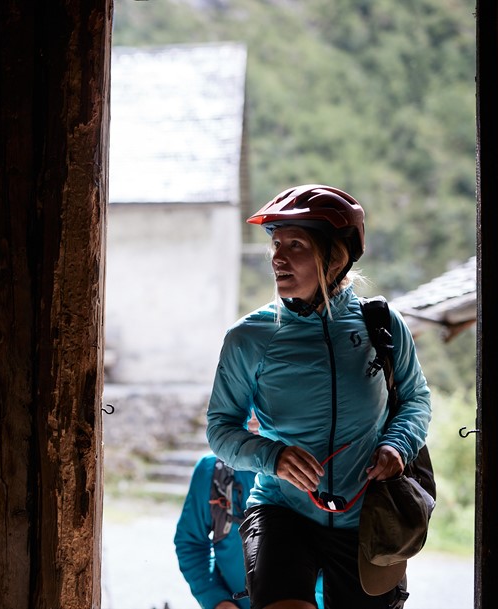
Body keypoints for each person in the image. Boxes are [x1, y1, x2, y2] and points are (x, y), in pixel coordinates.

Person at [206, 184, 431, 609]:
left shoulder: (380, 324)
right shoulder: (249, 337)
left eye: (296, 245)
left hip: (367, 518)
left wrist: (396, 445)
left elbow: (416, 399)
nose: (278, 257)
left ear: (337, 255)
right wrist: (273, 457)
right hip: (281, 509)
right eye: (275, 244)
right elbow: (220, 430)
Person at [174, 449, 325, 609]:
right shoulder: (213, 471)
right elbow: (191, 544)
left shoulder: (316, 466)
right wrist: (217, 600)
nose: (256, 422)